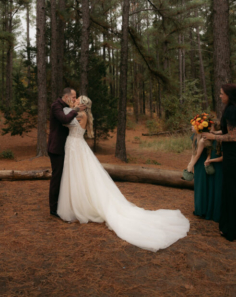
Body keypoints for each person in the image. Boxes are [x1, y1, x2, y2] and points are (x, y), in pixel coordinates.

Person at [57, 96, 190, 252]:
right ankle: (78, 203)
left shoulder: (81, 114)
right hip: (75, 146)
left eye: (78, 100)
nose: (76, 102)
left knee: (80, 175)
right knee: (79, 176)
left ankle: (82, 206)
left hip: (76, 146)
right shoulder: (80, 114)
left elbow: (65, 120)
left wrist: (66, 107)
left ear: (84, 106)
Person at [203, 84, 236, 241]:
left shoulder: (231, 110)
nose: (220, 96)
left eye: (222, 94)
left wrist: (213, 138)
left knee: (231, 190)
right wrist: (212, 133)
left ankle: (230, 229)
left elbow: (233, 136)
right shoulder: (231, 108)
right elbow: (226, 131)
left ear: (230, 95)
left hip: (232, 155)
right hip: (231, 155)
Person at [48, 88, 86, 217]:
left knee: (66, 177)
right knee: (57, 177)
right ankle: (53, 208)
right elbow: (64, 119)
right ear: (66, 96)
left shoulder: (67, 107)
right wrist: (76, 110)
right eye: (74, 97)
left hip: (68, 147)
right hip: (57, 147)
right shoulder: (56, 106)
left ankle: (64, 204)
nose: (75, 99)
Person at [189, 131, 223, 222]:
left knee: (202, 187)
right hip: (205, 162)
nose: (192, 127)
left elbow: (197, 154)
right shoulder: (198, 137)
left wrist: (190, 166)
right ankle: (202, 209)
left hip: (202, 164)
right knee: (203, 187)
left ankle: (202, 209)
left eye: (194, 125)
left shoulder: (203, 140)